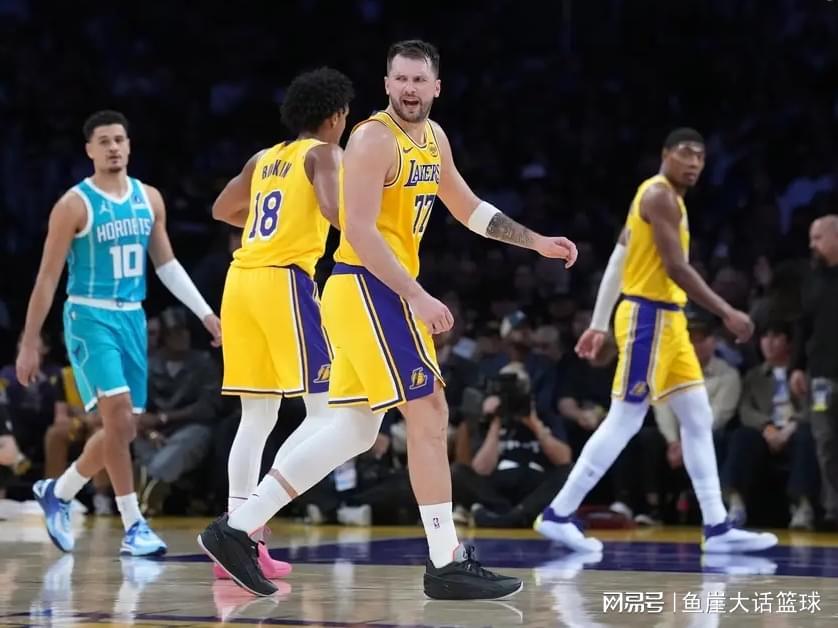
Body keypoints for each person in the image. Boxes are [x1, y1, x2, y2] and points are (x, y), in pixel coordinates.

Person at [199, 40, 577, 600]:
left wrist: (534, 241)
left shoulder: (434, 139)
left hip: (369, 291)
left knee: (354, 429)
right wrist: (417, 295)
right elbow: (357, 229)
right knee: (430, 411)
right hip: (368, 287)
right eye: (400, 79)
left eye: (418, 80)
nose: (408, 89)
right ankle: (446, 559)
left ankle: (236, 528)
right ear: (386, 84)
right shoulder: (372, 138)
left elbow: (469, 208)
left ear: (436, 87)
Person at [536, 128, 778, 553]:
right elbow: (676, 268)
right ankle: (558, 513)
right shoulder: (659, 196)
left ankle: (717, 526)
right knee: (626, 418)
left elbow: (619, 259)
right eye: (686, 153)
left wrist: (598, 323)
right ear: (665, 154)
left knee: (697, 417)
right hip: (647, 317)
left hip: (670, 320)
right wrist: (727, 311)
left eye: (701, 156)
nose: (694, 162)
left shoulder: (655, 198)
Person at [16, 110, 221, 556]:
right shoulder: (73, 205)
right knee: (119, 415)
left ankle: (59, 492)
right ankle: (134, 524)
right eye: (104, 141)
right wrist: (29, 341)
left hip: (132, 318)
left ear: (129, 145)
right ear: (89, 150)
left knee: (123, 429)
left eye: (119, 140)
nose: (113, 147)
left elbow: (167, 266)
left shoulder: (150, 198)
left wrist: (206, 314)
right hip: (89, 317)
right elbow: (47, 278)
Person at [198, 68, 353, 585]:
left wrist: (278, 219)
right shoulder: (325, 153)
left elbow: (223, 209)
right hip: (284, 280)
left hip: (240, 280)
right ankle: (248, 523)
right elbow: (334, 210)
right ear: (336, 116)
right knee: (326, 412)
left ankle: (238, 540)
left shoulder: (263, 157)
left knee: (257, 416)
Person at [790, 215, 838, 529]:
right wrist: (796, 367)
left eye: (818, 237)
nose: (812, 244)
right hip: (820, 377)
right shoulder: (811, 280)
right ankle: (833, 510)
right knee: (825, 442)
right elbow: (801, 328)